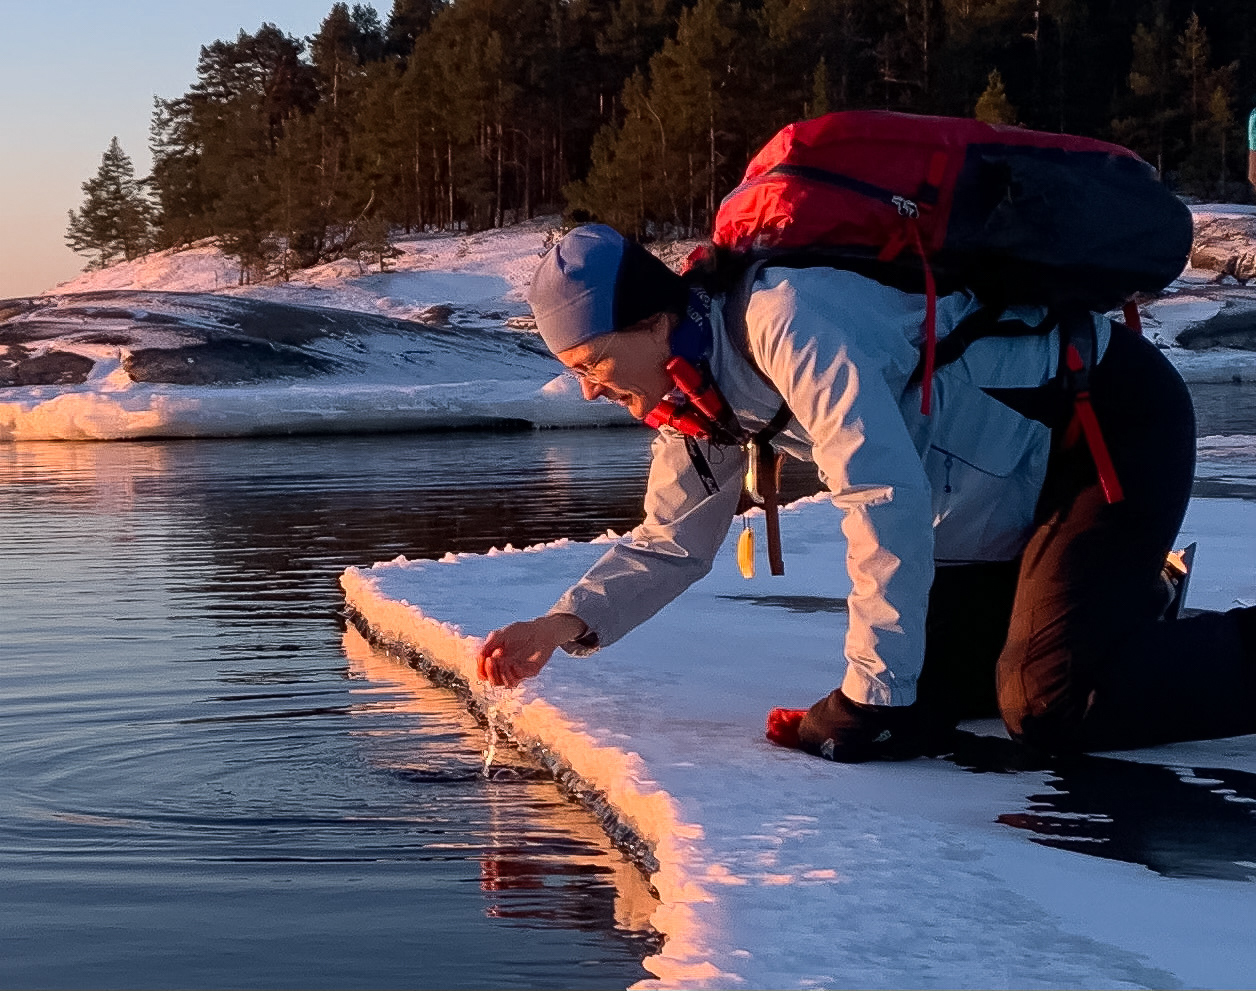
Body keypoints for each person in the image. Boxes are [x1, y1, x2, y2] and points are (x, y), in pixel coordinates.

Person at [477, 224, 1256, 763]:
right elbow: (671, 540)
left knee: (1047, 703)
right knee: (936, 694)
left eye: (593, 361)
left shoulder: (789, 320)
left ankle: (1140, 618)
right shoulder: (695, 391)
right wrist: (559, 623)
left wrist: (866, 700)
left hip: (1104, 429)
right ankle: (1127, 601)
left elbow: (882, 494)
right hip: (1007, 490)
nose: (583, 390)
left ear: (652, 322)